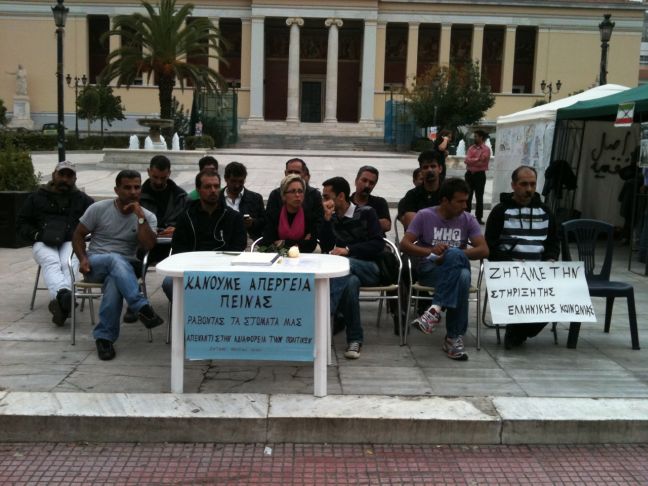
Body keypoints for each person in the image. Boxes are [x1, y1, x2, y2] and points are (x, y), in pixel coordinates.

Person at [73, 170, 165, 361]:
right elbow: (78, 235)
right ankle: (140, 306)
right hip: (96, 263)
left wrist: (140, 218)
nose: (133, 192)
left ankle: (104, 338)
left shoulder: (147, 216)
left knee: (114, 282)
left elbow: (148, 245)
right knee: (114, 259)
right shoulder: (98, 208)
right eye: (127, 187)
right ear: (116, 190)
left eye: (137, 187)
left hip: (126, 269)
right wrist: (82, 258)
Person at [400, 178, 489, 361]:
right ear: (445, 201)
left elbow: (484, 249)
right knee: (462, 275)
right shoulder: (425, 215)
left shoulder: (468, 219)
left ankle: (434, 310)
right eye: (460, 201)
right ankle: (453, 338)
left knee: (460, 270)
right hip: (430, 268)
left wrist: (454, 254)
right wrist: (431, 251)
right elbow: (405, 244)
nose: (465, 206)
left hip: (454, 269)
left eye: (466, 201)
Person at [485, 165, 559, 349]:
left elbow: (553, 243)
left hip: (539, 270)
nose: (529, 189)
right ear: (513, 185)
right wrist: (510, 262)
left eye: (532, 184)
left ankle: (519, 331)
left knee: (559, 299)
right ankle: (517, 332)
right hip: (509, 270)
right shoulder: (500, 211)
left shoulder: (546, 212)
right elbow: (490, 245)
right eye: (524, 184)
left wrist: (550, 259)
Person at [17, 161, 94, 326]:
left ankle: (61, 302)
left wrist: (84, 237)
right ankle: (65, 299)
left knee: (69, 262)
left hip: (70, 241)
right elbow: (22, 223)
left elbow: (95, 223)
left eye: (69, 176)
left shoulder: (83, 200)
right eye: (62, 175)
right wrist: (36, 234)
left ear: (75, 179)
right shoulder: (36, 197)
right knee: (51, 261)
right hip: (43, 241)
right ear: (54, 175)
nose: (65, 179)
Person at [320, 176, 384, 360]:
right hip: (347, 273)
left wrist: (348, 250)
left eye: (327, 196)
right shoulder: (332, 216)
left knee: (344, 264)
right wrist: (326, 220)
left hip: (371, 268)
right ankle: (355, 339)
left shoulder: (366, 212)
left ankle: (327, 313)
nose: (324, 201)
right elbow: (326, 247)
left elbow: (378, 244)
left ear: (341, 196)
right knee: (350, 283)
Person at [162, 169, 247, 300]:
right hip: (192, 268)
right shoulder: (186, 217)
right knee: (168, 283)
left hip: (224, 269)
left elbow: (239, 247)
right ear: (198, 190)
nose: (213, 190)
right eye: (208, 187)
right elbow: (178, 248)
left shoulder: (234, 217)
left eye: (216, 186)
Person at [261, 174, 318, 253]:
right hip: (278, 257)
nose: (297, 195)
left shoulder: (309, 216)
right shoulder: (275, 215)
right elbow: (267, 242)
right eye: (293, 191)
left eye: (300, 191)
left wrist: (283, 243)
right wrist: (300, 243)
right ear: (284, 196)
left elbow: (310, 245)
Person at [265, 157, 323, 230]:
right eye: (290, 172)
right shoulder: (275, 194)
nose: (293, 175)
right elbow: (269, 222)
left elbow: (319, 222)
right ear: (285, 173)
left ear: (304, 174)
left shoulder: (314, 195)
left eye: (297, 172)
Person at [140, 154, 188, 237]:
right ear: (148, 172)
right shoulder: (137, 196)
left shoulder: (181, 197)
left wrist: (178, 230)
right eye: (155, 177)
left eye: (163, 178)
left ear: (169, 173)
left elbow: (189, 223)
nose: (159, 182)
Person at [220, 161, 266, 240]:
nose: (237, 185)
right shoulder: (216, 198)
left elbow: (265, 222)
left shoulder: (255, 198)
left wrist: (252, 222)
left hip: (248, 242)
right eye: (233, 181)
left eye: (241, 181)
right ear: (225, 179)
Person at [397, 151, 443, 230]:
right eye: (425, 167)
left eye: (433, 166)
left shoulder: (449, 193)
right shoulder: (412, 195)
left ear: (440, 169)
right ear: (421, 171)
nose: (429, 170)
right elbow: (412, 226)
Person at [350, 165, 391, 234]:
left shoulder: (380, 202)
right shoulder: (346, 202)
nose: (367, 185)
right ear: (356, 181)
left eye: (371, 183)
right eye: (364, 180)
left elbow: (387, 225)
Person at [464, 129, 491, 224]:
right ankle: (466, 216)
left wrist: (472, 160)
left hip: (479, 175)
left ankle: (478, 218)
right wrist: (476, 159)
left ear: (481, 137)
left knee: (479, 197)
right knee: (468, 195)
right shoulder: (471, 148)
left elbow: (482, 162)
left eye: (476, 136)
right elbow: (466, 160)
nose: (474, 138)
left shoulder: (486, 149)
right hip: (469, 174)